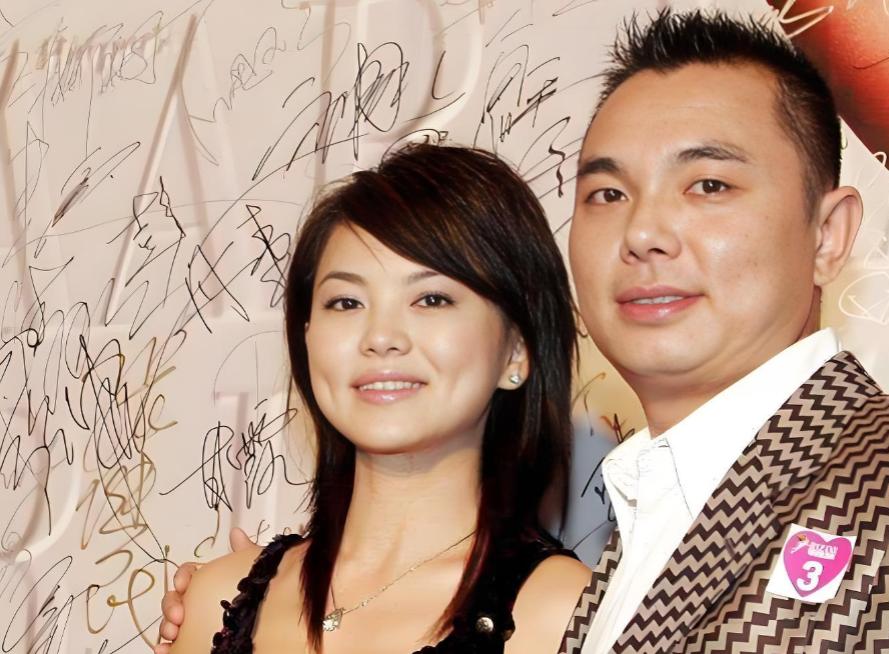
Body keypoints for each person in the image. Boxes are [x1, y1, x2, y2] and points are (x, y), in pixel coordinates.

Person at [162, 8, 889, 654]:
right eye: (607, 194)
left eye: (708, 186)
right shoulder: (635, 529)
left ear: (827, 234)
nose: (643, 232)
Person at [162, 143, 590, 654]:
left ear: (516, 351)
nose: (381, 337)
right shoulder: (214, 601)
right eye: (346, 302)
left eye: (431, 299)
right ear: (306, 336)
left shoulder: (563, 613)